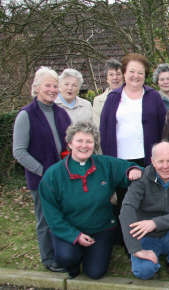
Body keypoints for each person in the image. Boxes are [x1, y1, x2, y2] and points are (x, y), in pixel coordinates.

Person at [38, 121, 142, 279]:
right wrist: (75, 236)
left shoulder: (104, 164)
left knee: (95, 272)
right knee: (67, 257)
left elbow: (128, 167)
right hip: (70, 228)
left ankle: (95, 252)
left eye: (89, 141)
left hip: (101, 228)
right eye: (79, 141)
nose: (84, 146)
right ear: (70, 143)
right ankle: (73, 260)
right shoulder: (53, 175)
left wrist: (133, 170)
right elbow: (52, 216)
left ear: (94, 145)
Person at [12, 66, 71, 272]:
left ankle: (65, 254)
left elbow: (69, 145)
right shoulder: (26, 115)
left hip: (64, 178)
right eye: (48, 85)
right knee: (45, 220)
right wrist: (43, 171)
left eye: (56, 86)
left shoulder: (62, 114)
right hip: (42, 180)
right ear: (37, 87)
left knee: (64, 217)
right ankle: (48, 258)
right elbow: (19, 152)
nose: (53, 89)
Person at [119, 142, 169, 281]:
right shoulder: (141, 177)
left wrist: (155, 223)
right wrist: (136, 249)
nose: (165, 166)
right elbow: (126, 210)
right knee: (144, 272)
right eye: (160, 161)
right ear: (152, 161)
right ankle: (151, 262)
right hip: (146, 236)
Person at [100, 53, 166, 166]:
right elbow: (104, 130)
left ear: (145, 75)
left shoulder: (154, 97)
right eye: (132, 72)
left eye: (140, 72)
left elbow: (164, 128)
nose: (136, 76)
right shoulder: (113, 98)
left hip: (149, 159)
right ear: (124, 73)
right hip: (119, 160)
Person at [92, 59, 122, 127]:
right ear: (107, 78)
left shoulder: (132, 97)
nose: (115, 77)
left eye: (118, 74)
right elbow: (97, 127)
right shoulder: (98, 101)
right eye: (111, 74)